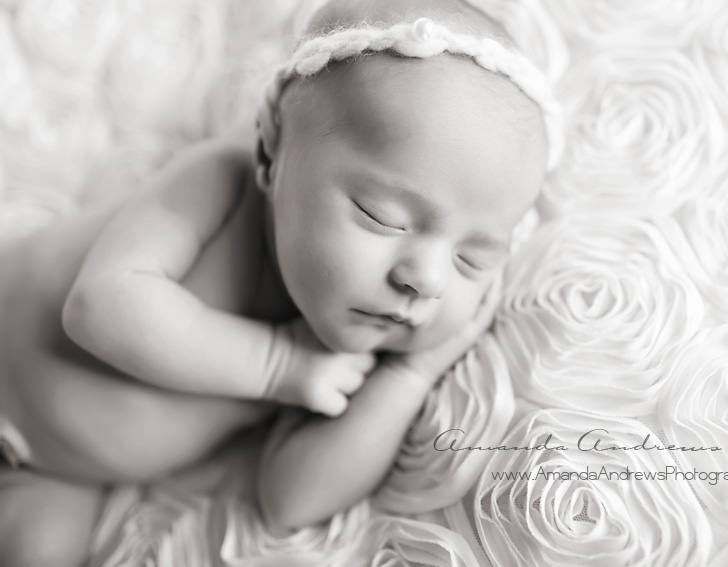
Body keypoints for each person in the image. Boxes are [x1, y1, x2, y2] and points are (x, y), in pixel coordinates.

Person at [0, 0, 560, 564]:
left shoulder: (334, 350)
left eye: (474, 259)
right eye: (382, 216)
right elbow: (100, 307)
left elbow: (289, 498)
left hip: (54, 474)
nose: (427, 279)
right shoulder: (221, 185)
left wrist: (410, 376)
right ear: (272, 148)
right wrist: (277, 366)